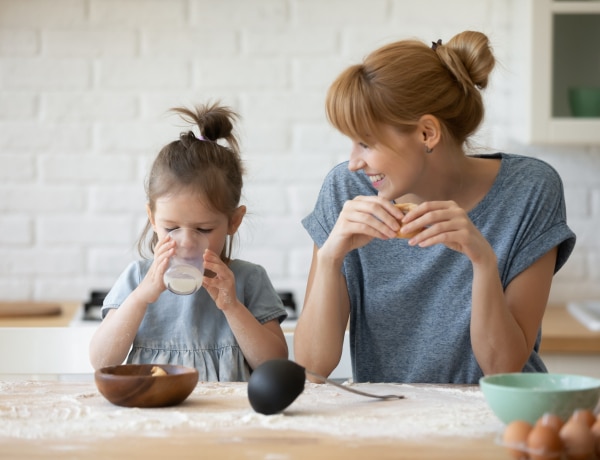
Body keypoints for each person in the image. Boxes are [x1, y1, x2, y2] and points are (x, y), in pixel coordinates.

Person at [293, 31, 576, 384]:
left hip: (496, 415)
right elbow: (312, 365)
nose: (354, 163)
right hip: (390, 420)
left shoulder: (529, 190)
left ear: (427, 133)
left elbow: (503, 369)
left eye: (366, 143)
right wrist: (330, 258)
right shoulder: (346, 192)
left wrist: (483, 261)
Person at [89, 102, 288, 381]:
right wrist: (141, 297)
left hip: (229, 418)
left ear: (234, 221)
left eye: (204, 229)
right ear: (152, 218)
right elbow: (101, 361)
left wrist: (233, 307)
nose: (186, 242)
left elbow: (274, 366)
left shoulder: (248, 280)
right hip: (155, 415)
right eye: (171, 227)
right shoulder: (137, 278)